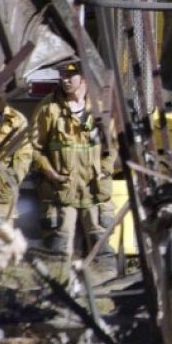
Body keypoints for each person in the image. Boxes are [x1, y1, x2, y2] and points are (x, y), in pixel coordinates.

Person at [30, 57, 116, 280]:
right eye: (62, 75)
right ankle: (59, 297)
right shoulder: (49, 109)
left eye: (70, 75)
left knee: (102, 247)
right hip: (61, 192)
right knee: (58, 250)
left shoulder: (99, 107)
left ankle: (106, 294)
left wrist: (105, 170)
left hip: (93, 191)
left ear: (84, 77)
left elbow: (112, 146)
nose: (65, 80)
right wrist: (50, 172)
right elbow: (34, 148)